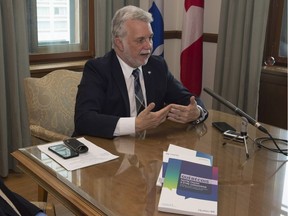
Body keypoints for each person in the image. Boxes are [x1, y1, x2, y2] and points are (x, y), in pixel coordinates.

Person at [73, 5, 208, 139]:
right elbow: (84, 119)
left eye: (150, 38)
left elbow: (188, 99)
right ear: (119, 43)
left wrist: (197, 112)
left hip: (148, 149)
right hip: (109, 148)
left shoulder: (157, 66)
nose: (148, 46)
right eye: (140, 40)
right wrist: (135, 124)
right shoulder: (98, 69)